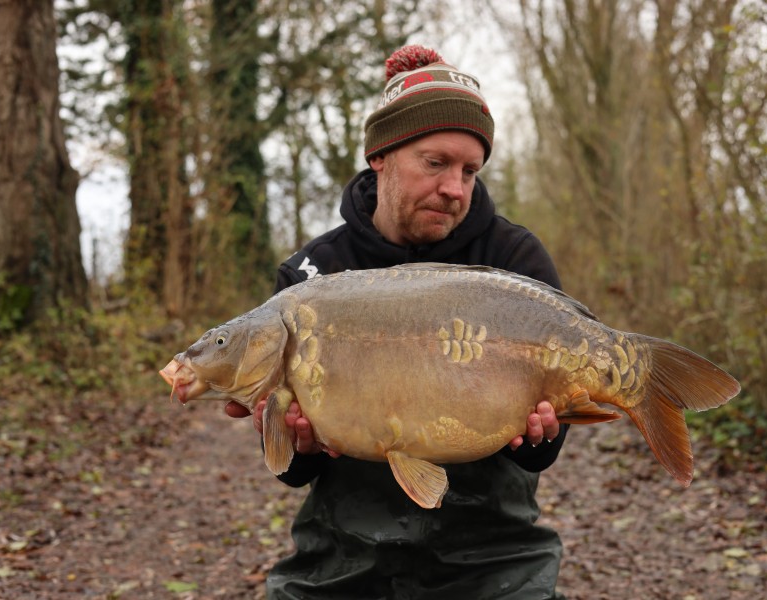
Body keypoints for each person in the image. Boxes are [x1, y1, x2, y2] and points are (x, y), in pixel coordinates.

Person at [226, 45, 569, 600]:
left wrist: (540, 433)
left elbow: (542, 453)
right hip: (344, 554)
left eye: (469, 170)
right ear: (380, 156)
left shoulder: (514, 260)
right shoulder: (312, 276)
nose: (455, 189)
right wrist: (303, 445)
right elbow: (291, 472)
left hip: (492, 553)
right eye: (435, 163)